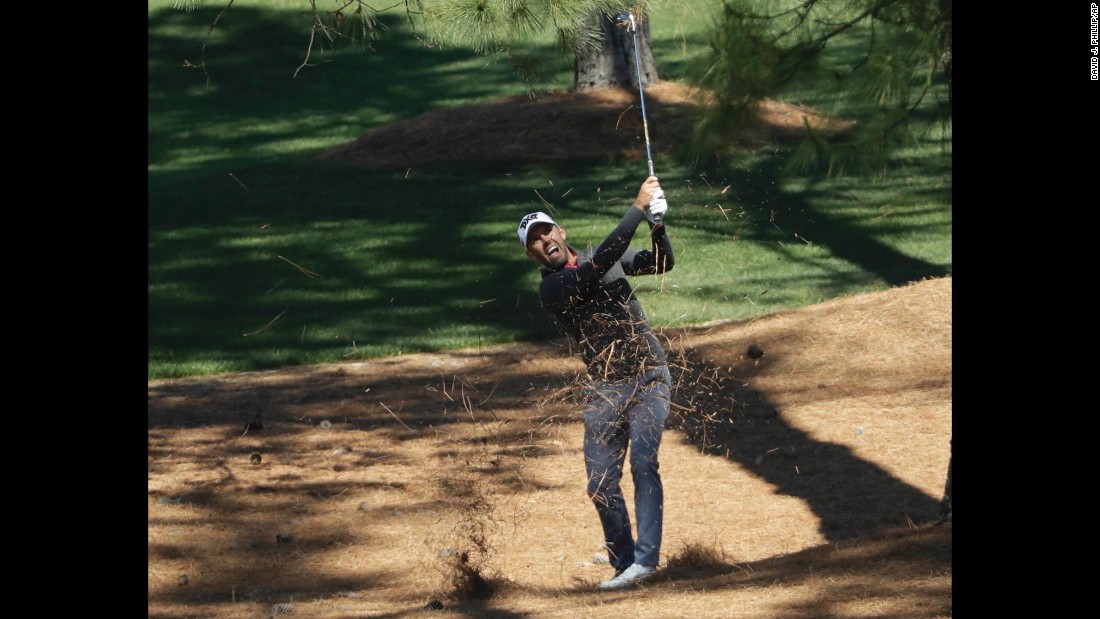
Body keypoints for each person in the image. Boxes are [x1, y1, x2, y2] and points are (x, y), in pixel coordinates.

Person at [516, 175, 675, 591]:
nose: (543, 240)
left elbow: (662, 263)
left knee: (643, 464)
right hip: (606, 388)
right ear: (533, 255)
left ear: (560, 232)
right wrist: (637, 209)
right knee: (601, 482)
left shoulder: (599, 257)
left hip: (649, 375)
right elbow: (598, 267)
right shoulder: (553, 289)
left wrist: (658, 227)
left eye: (546, 230)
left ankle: (645, 563)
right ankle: (623, 566)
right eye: (534, 240)